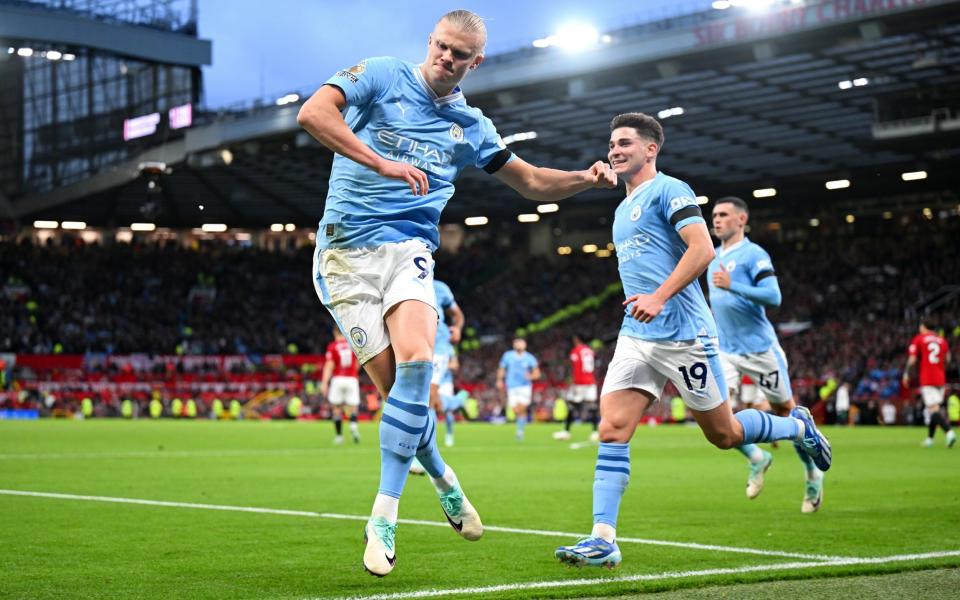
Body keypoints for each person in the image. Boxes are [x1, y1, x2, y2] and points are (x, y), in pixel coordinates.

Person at [296, 9, 616, 577]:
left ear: (476, 62)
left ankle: (383, 518)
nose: (447, 58)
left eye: (459, 54)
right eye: (442, 46)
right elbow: (313, 113)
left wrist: (584, 180)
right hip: (343, 257)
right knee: (401, 398)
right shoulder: (381, 74)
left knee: (419, 360)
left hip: (408, 252)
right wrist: (381, 163)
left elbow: (533, 181)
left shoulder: (471, 126)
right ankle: (443, 477)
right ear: (431, 42)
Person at [554, 113, 832, 569]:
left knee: (724, 435)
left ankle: (800, 427)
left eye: (625, 142)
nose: (614, 149)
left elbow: (702, 249)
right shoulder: (623, 206)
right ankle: (603, 538)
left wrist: (661, 297)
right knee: (612, 428)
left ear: (651, 149)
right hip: (636, 335)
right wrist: (589, 178)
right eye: (611, 143)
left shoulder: (671, 190)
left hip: (684, 333)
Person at [707, 196, 824, 513]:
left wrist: (734, 286)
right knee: (716, 417)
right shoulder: (712, 257)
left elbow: (773, 296)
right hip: (726, 351)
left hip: (760, 350)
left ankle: (812, 473)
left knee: (788, 414)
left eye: (723, 215)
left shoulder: (753, 254)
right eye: (714, 215)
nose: (716, 220)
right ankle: (758, 458)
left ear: (741, 220)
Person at [903, 319, 954, 448]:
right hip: (940, 379)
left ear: (923, 327)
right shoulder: (942, 340)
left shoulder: (919, 339)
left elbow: (912, 359)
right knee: (934, 409)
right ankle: (930, 439)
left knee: (933, 409)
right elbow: (948, 359)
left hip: (928, 378)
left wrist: (906, 374)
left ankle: (949, 432)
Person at [554, 334, 599, 442]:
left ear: (576, 339)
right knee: (592, 406)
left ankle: (566, 431)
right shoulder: (589, 351)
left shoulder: (576, 351)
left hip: (580, 382)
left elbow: (574, 366)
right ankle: (595, 432)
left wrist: (572, 381)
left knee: (572, 405)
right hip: (591, 381)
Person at [321, 328, 361, 444]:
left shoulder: (333, 346)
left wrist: (324, 382)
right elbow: (358, 364)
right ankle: (353, 426)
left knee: (337, 409)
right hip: (352, 379)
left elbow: (329, 365)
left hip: (338, 379)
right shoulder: (352, 345)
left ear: (335, 332)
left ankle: (339, 436)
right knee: (353, 407)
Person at [497, 337, 541, 441]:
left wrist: (530, 376)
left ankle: (520, 431)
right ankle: (520, 425)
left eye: (521, 343)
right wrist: (499, 380)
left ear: (525, 345)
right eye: (517, 343)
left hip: (524, 387)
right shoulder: (508, 356)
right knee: (515, 409)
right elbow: (501, 368)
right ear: (514, 345)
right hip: (511, 386)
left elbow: (537, 373)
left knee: (521, 408)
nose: (519, 345)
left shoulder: (530, 358)